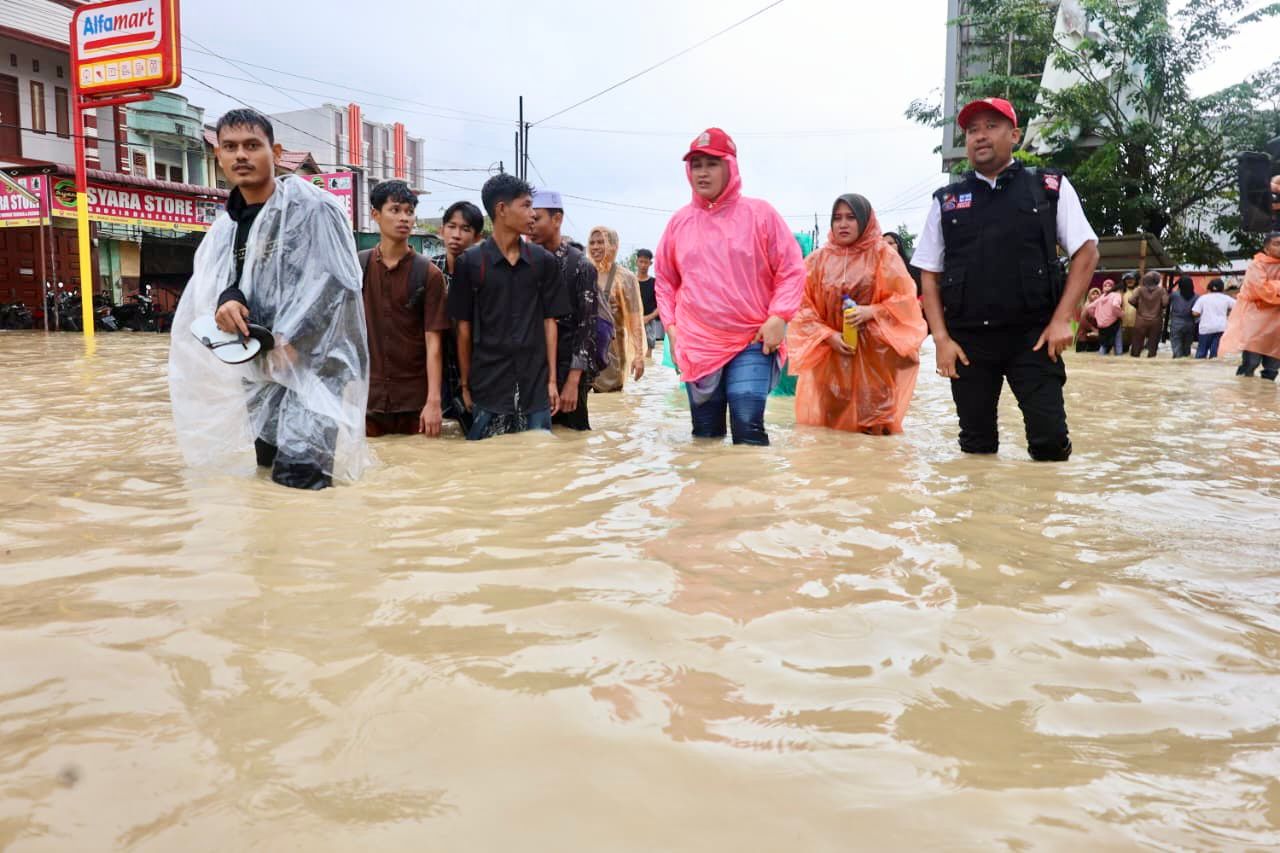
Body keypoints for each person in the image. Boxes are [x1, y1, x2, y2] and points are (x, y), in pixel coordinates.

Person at [168, 109, 369, 490]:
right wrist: (227, 301)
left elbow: (339, 284)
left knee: (300, 481)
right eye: (230, 147)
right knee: (267, 475)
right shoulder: (227, 225)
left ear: (275, 152)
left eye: (251, 145)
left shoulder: (314, 208)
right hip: (260, 369)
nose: (241, 155)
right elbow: (226, 282)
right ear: (219, 157)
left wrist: (295, 339)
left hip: (314, 367)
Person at [913, 97, 1099, 461]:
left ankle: (1042, 515)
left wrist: (1063, 318)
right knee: (976, 447)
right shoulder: (947, 201)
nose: (980, 136)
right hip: (969, 342)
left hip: (1034, 337)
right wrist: (941, 339)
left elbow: (1086, 251)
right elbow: (929, 274)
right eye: (972, 130)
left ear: (1014, 135)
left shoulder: (1048, 187)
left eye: (991, 127)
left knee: (1050, 444)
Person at [655, 127, 805, 446]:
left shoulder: (760, 214)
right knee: (705, 434)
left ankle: (752, 495)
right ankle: (707, 494)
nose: (702, 173)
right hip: (698, 342)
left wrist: (779, 316)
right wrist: (671, 328)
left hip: (752, 337)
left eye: (711, 164)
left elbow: (791, 269)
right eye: (696, 165)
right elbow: (666, 281)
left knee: (748, 425)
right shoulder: (679, 223)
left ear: (730, 166)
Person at [787, 194, 927, 434]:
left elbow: (906, 303)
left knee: (875, 429)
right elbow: (801, 308)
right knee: (831, 430)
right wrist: (828, 335)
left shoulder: (883, 256)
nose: (843, 224)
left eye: (851, 218)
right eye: (837, 218)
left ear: (864, 220)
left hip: (876, 361)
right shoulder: (817, 261)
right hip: (830, 362)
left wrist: (871, 311)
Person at [447, 174, 569, 440]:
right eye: (525, 206)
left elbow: (550, 323)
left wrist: (551, 382)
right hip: (488, 387)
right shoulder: (470, 263)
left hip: (535, 388)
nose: (532, 214)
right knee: (488, 469)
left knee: (539, 466)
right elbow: (463, 329)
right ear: (502, 210)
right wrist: (465, 385)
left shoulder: (543, 262)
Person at [360, 180, 450, 437]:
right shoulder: (358, 266)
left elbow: (434, 343)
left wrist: (434, 402)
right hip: (368, 399)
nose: (404, 219)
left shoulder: (428, 273)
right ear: (375, 214)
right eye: (395, 210)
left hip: (414, 402)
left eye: (409, 212)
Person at [529, 189, 600, 430]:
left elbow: (587, 328)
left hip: (568, 369)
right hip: (531, 371)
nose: (531, 224)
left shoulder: (580, 266)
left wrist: (573, 380)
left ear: (557, 219)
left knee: (572, 442)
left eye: (536, 218)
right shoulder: (524, 262)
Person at [432, 200, 486, 433]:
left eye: (465, 229)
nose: (456, 235)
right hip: (439, 373)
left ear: (477, 237)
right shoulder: (429, 272)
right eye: (451, 227)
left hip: (478, 373)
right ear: (441, 230)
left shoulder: (485, 273)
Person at [590, 227, 645, 392]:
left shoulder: (626, 278)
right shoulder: (583, 271)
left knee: (610, 402)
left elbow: (635, 320)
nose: (595, 247)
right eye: (592, 242)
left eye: (601, 242)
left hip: (612, 354)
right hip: (583, 354)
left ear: (613, 246)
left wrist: (639, 356)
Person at [1221, 232, 1280, 380]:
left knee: (1272, 370)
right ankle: (1243, 399)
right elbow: (1261, 290)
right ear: (1266, 248)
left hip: (1277, 330)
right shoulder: (1257, 265)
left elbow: (1267, 290)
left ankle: (1264, 402)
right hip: (1256, 325)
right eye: (1277, 244)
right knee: (1250, 365)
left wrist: (1273, 288)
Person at [1127, 271, 1169, 358]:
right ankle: (1150, 365)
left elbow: (1131, 300)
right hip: (1156, 321)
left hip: (1140, 320)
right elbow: (1165, 303)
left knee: (1136, 345)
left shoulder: (1139, 289)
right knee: (1153, 347)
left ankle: (1133, 365)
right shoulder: (1161, 290)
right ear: (1157, 280)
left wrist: (1138, 307)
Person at [1192, 278, 1235, 359]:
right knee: (1215, 354)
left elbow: (1195, 312)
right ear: (1222, 288)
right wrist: (1228, 312)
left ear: (1209, 288)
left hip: (1206, 328)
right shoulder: (1226, 298)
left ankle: (1199, 369)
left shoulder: (1203, 298)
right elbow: (1238, 307)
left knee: (1201, 353)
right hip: (1221, 328)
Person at [636, 248, 662, 358]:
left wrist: (649, 317)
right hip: (632, 321)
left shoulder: (655, 283)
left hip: (649, 323)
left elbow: (661, 305)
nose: (643, 265)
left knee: (647, 356)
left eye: (646, 262)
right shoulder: (631, 281)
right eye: (641, 261)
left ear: (650, 263)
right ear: (636, 262)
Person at [1168, 275, 1198, 359]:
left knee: (1176, 345)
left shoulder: (1174, 295)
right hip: (1190, 324)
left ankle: (1177, 363)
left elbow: (1166, 301)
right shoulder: (1196, 297)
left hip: (1176, 323)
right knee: (1186, 348)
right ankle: (1185, 364)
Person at [1093, 279, 1125, 356]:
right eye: (1105, 285)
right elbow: (1115, 305)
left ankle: (1101, 361)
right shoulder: (1116, 295)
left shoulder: (1100, 298)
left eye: (1109, 285)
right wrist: (1122, 314)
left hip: (1102, 325)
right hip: (1114, 322)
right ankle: (1119, 358)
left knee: (1104, 344)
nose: (1107, 287)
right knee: (1117, 342)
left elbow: (1090, 308)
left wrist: (1097, 317)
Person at [1075, 287, 1102, 352]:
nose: (1095, 296)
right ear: (1089, 296)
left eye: (1097, 294)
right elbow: (1082, 321)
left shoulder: (1101, 306)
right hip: (1084, 338)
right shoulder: (1087, 306)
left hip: (1095, 338)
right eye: (1093, 294)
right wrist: (1093, 329)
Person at [1118, 271, 1139, 352]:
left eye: (1131, 279)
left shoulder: (1139, 291)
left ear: (1136, 280)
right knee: (1123, 347)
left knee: (1136, 349)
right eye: (1127, 279)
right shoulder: (1121, 292)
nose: (1129, 281)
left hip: (1137, 324)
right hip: (1123, 324)